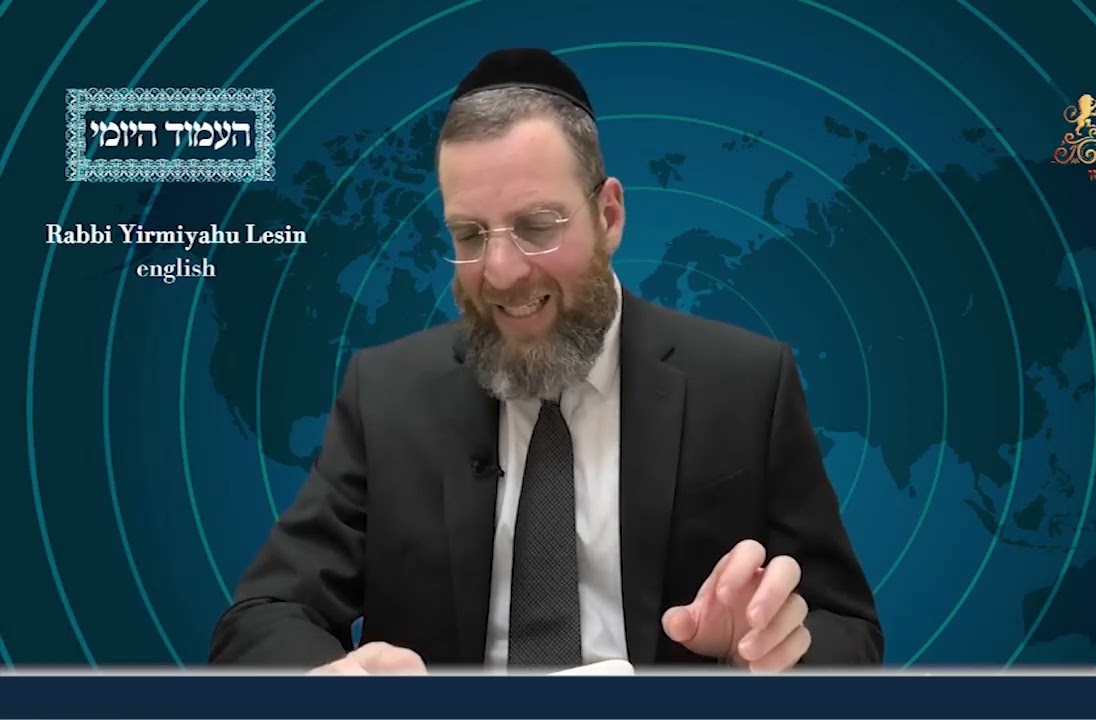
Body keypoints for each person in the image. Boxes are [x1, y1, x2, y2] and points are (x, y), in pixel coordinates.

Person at [208, 48, 883, 674]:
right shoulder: (384, 393)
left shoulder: (747, 383)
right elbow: (264, 615)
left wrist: (760, 661)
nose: (500, 272)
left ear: (609, 216)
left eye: (537, 226)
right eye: (470, 234)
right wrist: (330, 685)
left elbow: (846, 627)